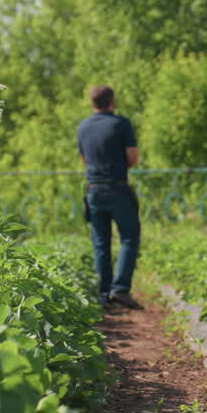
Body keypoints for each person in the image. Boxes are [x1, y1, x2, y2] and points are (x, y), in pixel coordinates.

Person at [77, 85, 143, 310]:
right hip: (118, 188)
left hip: (94, 189)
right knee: (129, 237)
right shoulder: (121, 124)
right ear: (111, 101)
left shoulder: (83, 127)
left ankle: (104, 294)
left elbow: (85, 160)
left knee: (101, 242)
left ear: (92, 103)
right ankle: (121, 288)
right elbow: (132, 158)